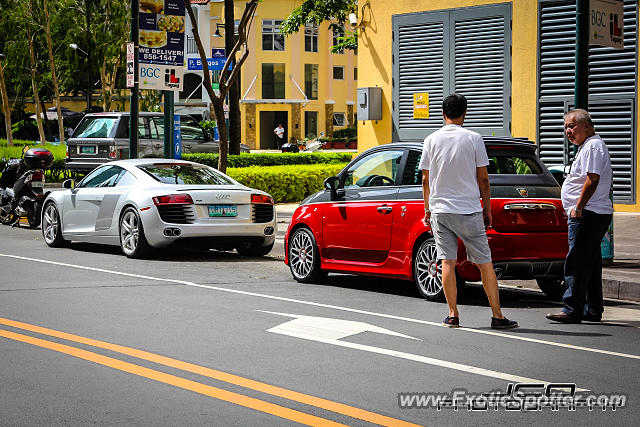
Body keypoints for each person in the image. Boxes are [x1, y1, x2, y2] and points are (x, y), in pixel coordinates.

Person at [419, 94, 518, 329]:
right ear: (465, 113)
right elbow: (483, 178)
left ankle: (453, 315)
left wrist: (427, 209)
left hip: (441, 210)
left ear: (443, 113)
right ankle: (497, 316)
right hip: (469, 209)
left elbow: (425, 178)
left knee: (447, 262)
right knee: (484, 263)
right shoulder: (474, 139)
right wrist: (487, 208)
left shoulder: (431, 140)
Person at [546, 109, 613, 324]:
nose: (568, 131)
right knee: (590, 263)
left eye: (571, 126)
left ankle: (571, 309)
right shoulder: (589, 146)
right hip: (592, 212)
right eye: (565, 127)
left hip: (588, 212)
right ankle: (592, 309)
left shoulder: (593, 145)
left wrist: (578, 207)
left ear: (586, 125)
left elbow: (592, 179)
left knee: (576, 261)